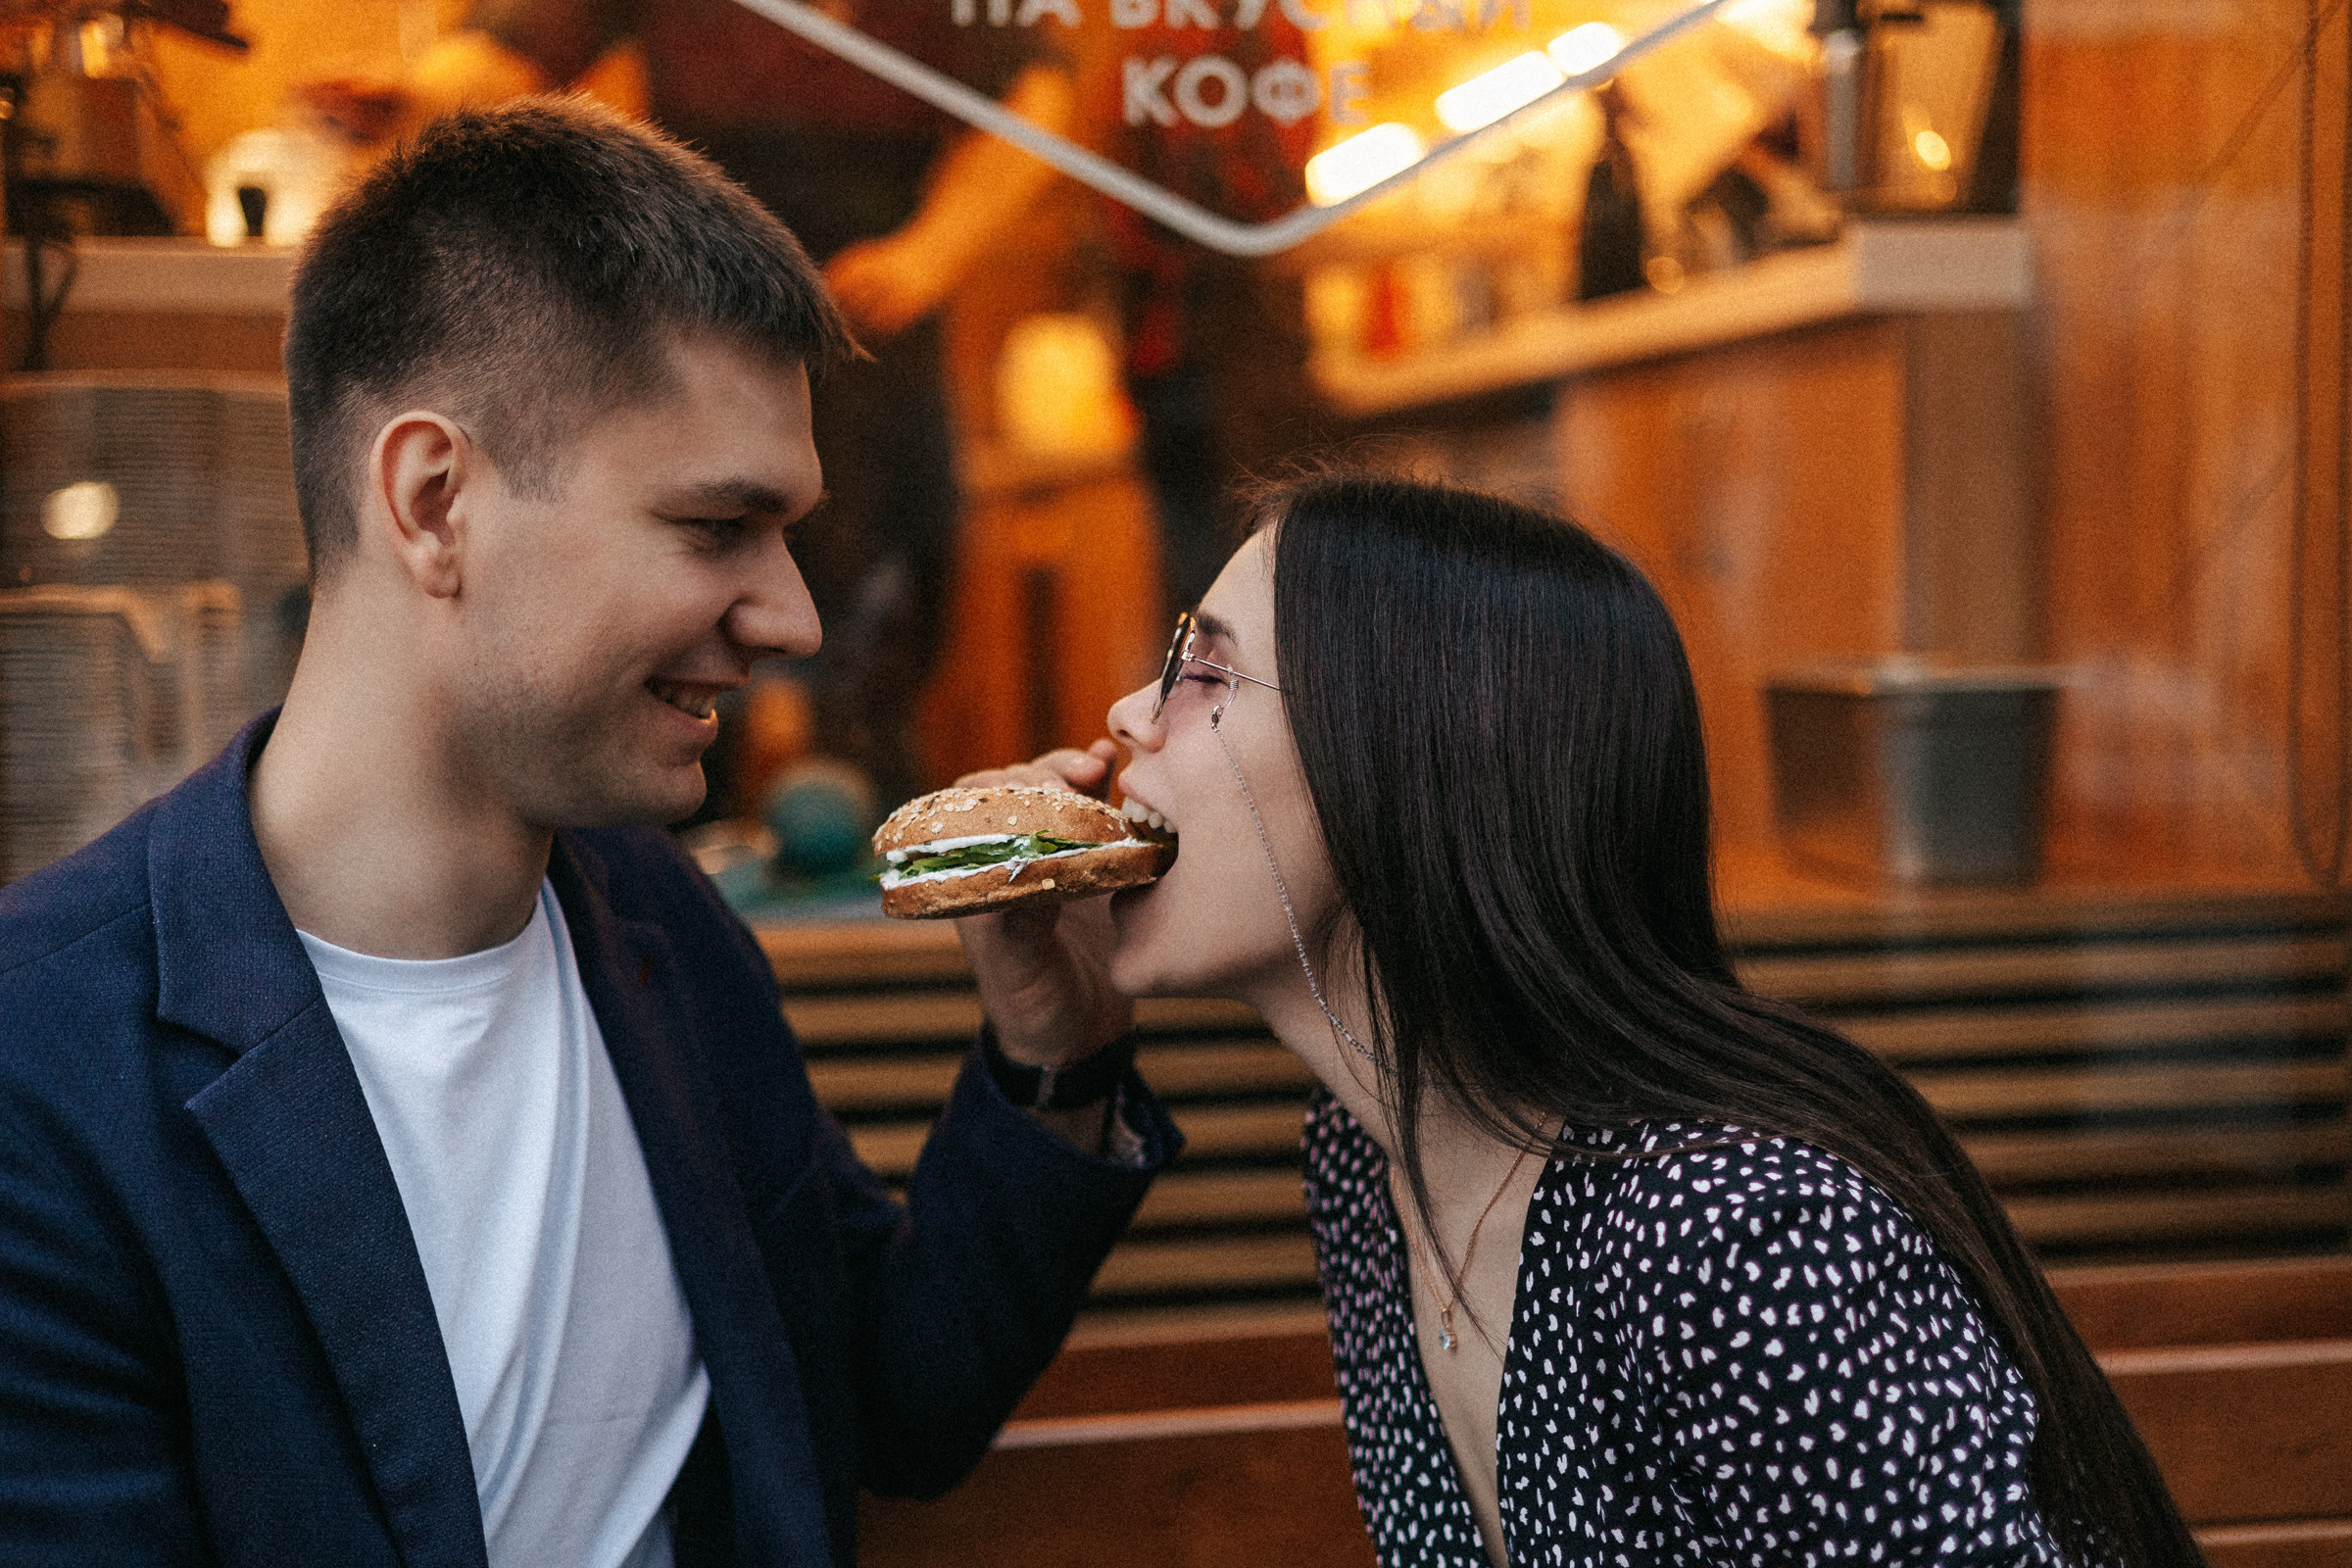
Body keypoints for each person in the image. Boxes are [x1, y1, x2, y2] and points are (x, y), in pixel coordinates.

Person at [0, 98, 1173, 1567]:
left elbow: (890, 1399)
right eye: (715, 528)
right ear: (435, 502)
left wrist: (1055, 1050)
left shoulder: (654, 920)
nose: (793, 618)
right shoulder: (42, 1071)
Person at [1038, 472, 2202, 1566]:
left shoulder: (1733, 1236)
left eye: (1207, 672)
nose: (1129, 711)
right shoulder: (1362, 1157)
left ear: (1400, 759)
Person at [362, 1, 1080, 812]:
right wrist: (417, 96)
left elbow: (1042, 96)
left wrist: (931, 252)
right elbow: (503, 53)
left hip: (876, 369)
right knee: (689, 667)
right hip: (703, 370)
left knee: (878, 686)